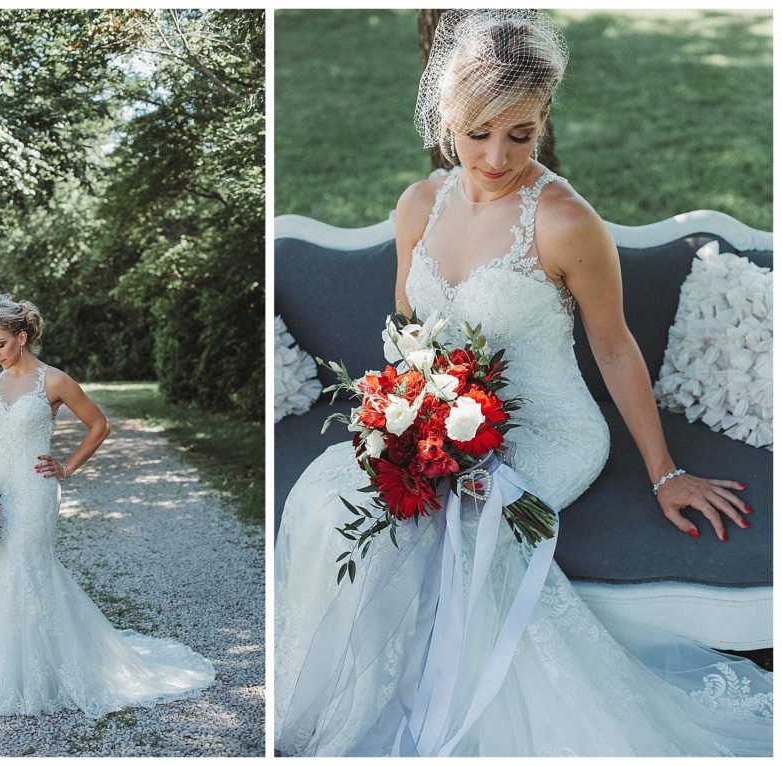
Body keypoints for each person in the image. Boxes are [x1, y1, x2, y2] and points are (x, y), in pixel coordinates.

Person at [274, 10, 771, 757]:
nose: (498, 157)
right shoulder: (418, 206)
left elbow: (615, 348)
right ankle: (353, 701)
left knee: (458, 535)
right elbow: (413, 336)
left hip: (549, 433)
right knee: (332, 501)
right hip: (442, 419)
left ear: (542, 121)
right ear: (446, 115)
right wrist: (406, 424)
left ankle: (451, 722)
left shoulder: (565, 221)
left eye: (522, 133)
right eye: (478, 133)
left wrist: (666, 472)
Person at [0, 292, 215, 716]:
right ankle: (9, 667)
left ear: (21, 337)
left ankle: (44, 672)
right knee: (3, 571)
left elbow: (100, 424)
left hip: (35, 491)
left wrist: (68, 466)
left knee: (29, 567)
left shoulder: (54, 381)